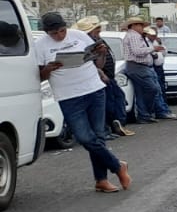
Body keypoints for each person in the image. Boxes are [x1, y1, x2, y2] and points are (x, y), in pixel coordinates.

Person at [34, 12, 131, 193]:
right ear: (47, 32)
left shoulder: (79, 36)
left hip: (94, 90)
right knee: (84, 137)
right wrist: (48, 69)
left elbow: (99, 64)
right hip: (68, 96)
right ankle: (117, 166)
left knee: (98, 135)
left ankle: (101, 180)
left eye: (62, 31)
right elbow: (39, 76)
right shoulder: (40, 46)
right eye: (54, 33)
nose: (59, 36)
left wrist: (100, 54)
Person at [75, 17, 132, 138]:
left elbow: (102, 59)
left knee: (116, 100)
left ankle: (114, 126)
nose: (99, 30)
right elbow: (91, 64)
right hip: (100, 78)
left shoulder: (98, 40)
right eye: (96, 28)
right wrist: (101, 73)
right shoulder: (87, 43)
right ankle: (104, 131)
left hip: (108, 76)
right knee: (105, 105)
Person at [121, 17, 172, 123]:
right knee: (152, 89)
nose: (142, 28)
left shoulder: (133, 36)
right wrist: (153, 49)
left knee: (141, 92)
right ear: (134, 25)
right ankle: (147, 112)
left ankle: (144, 115)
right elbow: (137, 51)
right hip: (138, 66)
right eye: (140, 25)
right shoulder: (134, 36)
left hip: (137, 66)